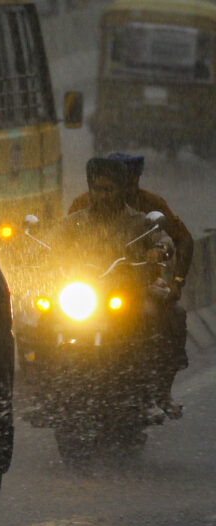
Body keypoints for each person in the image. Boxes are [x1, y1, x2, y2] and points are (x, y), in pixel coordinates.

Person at [67, 153, 189, 417]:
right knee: (40, 321)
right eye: (97, 189)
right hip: (85, 292)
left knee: (164, 316)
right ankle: (47, 386)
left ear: (122, 189)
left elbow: (167, 240)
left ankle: (158, 389)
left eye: (109, 189)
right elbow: (54, 241)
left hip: (132, 290)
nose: (101, 196)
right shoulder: (77, 217)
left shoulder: (139, 219)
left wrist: (159, 253)